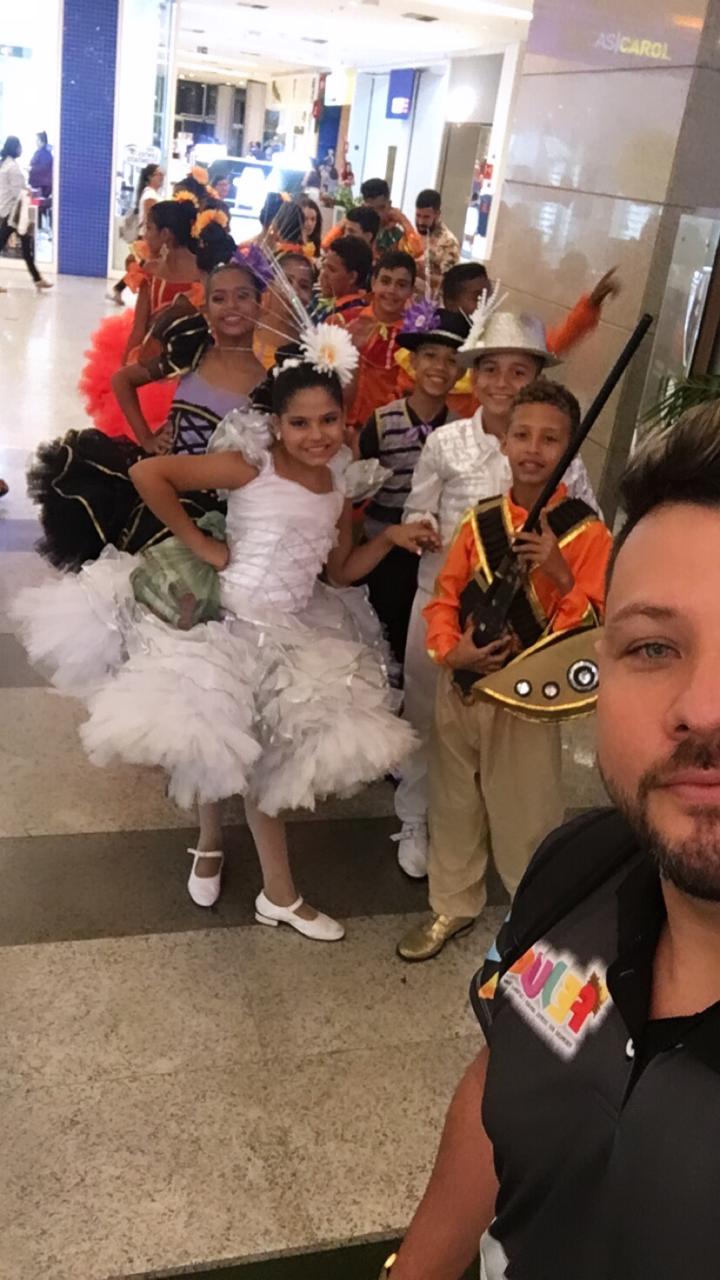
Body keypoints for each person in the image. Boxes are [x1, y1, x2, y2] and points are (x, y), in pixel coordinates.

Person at [384, 402, 720, 1280]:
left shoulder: (575, 536)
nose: (703, 708)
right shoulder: (578, 869)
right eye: (653, 648)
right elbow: (508, 1066)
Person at [14, 343, 436, 926]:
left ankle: (252, 874)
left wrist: (386, 539)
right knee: (219, 736)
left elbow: (340, 572)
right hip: (227, 622)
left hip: (294, 628)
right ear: (277, 423)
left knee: (243, 748)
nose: (316, 435)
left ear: (346, 419)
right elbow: (148, 472)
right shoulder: (253, 466)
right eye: (299, 423)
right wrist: (201, 543)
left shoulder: (339, 487)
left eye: (328, 420)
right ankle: (250, 871)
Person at [397, 378, 612, 962]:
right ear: (504, 441)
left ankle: (533, 917)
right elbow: (444, 597)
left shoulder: (587, 533)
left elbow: (595, 631)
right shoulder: (480, 520)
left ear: (570, 449)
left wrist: (560, 572)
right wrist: (451, 652)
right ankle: (453, 903)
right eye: (522, 434)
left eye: (550, 439)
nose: (533, 449)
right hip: (463, 686)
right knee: (453, 801)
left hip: (527, 698)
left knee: (527, 811)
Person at [29, 242, 268, 571]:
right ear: (206, 306)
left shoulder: (269, 383)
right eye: (219, 298)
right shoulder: (193, 352)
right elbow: (122, 380)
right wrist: (146, 438)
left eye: (242, 296)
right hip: (156, 490)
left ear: (260, 304)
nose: (231, 306)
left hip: (212, 510)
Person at [358, 308, 468, 668]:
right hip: (383, 544)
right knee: (379, 631)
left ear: (462, 372)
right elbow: (357, 488)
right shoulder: (383, 421)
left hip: (434, 547)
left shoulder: (462, 430)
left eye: (452, 360)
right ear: (414, 361)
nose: (440, 367)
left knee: (419, 633)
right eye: (430, 356)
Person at [81, 199, 207, 438]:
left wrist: (125, 367)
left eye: (149, 228)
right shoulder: (201, 272)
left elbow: (139, 328)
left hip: (159, 365)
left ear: (166, 234)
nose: (145, 234)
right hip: (189, 365)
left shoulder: (154, 271)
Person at [346, 250, 417, 431]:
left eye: (401, 285)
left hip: (384, 430)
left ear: (411, 291)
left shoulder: (414, 338)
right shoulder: (343, 321)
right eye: (385, 281)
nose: (391, 291)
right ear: (373, 283)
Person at [108, 163, 166, 306]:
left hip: (148, 238)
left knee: (141, 267)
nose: (161, 177)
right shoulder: (150, 195)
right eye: (158, 174)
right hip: (148, 239)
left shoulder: (152, 194)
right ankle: (124, 290)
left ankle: (119, 289)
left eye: (162, 174)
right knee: (142, 267)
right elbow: (150, 219)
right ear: (150, 177)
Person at [0, 136, 52, 292]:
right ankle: (37, 279)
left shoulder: (5, 164)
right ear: (14, 148)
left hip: (9, 212)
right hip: (12, 214)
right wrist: (29, 192)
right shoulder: (12, 167)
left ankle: (37, 279)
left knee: (26, 246)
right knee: (25, 246)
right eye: (19, 147)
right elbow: (18, 193)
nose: (21, 150)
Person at [254, 249, 315, 370]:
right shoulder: (244, 330)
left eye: (304, 286)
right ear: (270, 283)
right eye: (287, 281)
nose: (294, 291)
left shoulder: (312, 351)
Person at [312, 235, 372, 326]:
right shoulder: (319, 297)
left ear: (352, 277)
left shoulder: (353, 316)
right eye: (324, 267)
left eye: (332, 270)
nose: (324, 274)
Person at [360, 178, 424, 259]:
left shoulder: (394, 234)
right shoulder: (355, 228)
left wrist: (403, 220)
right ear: (363, 207)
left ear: (389, 205)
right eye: (371, 209)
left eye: (382, 208)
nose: (378, 214)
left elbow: (417, 252)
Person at [414, 188, 460, 293]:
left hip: (432, 301)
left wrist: (420, 273)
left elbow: (450, 284)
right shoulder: (415, 235)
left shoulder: (448, 242)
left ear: (437, 214)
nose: (420, 222)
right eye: (418, 215)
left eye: (426, 217)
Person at [298, 195, 323, 259]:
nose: (309, 224)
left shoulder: (316, 245)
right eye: (305, 218)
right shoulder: (291, 244)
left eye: (313, 219)